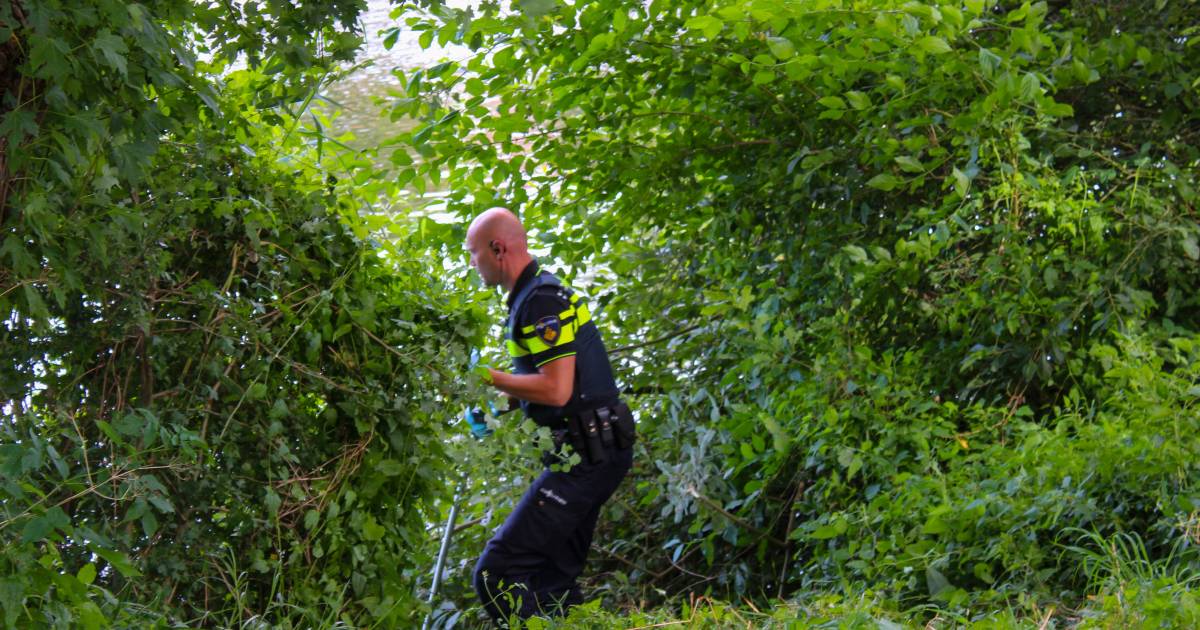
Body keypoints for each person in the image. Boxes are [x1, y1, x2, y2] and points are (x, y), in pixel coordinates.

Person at [464, 207, 635, 624]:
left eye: (473, 254)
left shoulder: (539, 301)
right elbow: (560, 385)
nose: (472, 263)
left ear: (498, 248)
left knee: (497, 574)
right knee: (551, 583)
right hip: (591, 451)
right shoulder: (534, 294)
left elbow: (556, 390)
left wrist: (489, 378)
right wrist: (500, 405)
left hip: (586, 458)